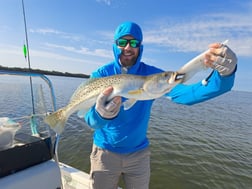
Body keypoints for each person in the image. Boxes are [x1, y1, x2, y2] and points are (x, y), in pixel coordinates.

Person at [84, 21, 237, 189]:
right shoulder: (100, 75)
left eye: (134, 43)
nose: (128, 47)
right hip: (104, 153)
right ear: (115, 45)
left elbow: (185, 94)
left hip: (139, 155)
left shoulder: (154, 75)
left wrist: (225, 77)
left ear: (140, 47)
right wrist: (99, 114)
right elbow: (90, 120)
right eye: (122, 42)